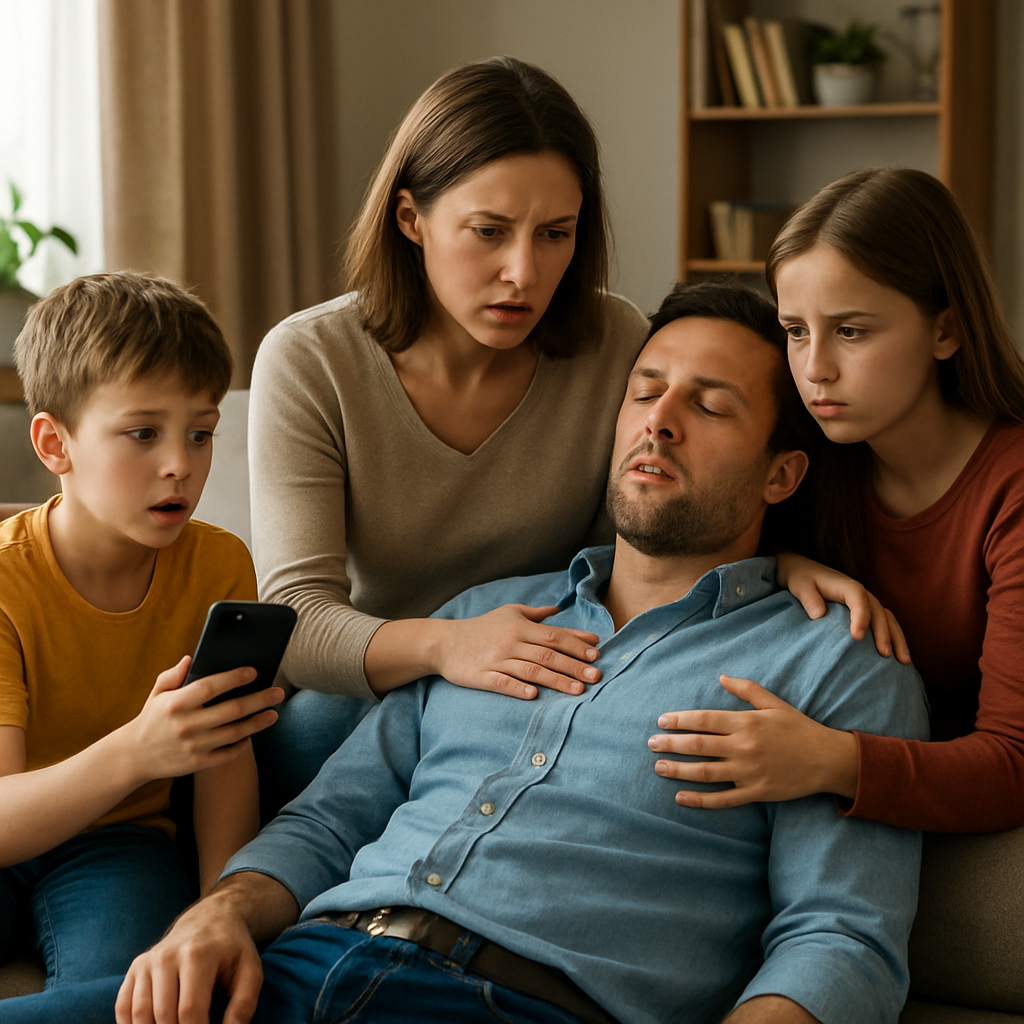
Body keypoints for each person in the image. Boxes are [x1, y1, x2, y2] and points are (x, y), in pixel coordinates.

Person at [5, 282, 929, 1024]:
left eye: (711, 406)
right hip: (292, 973)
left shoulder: (835, 663)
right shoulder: (482, 620)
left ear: (782, 473)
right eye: (646, 392)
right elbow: (326, 824)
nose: (660, 421)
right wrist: (219, 915)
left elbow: (842, 939)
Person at [247, 56, 649, 809]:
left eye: (555, 234)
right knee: (309, 730)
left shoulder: (615, 339)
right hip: (368, 697)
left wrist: (784, 562)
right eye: (489, 232)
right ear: (411, 219)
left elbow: (631, 558)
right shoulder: (311, 358)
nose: (524, 273)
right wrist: (451, 645)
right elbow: (297, 618)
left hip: (549, 678)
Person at [650, 168, 1024, 834]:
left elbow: (1013, 765)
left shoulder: (1011, 490)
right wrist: (783, 558)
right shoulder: (810, 457)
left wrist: (831, 762)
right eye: (796, 331)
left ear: (946, 330)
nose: (815, 367)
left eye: (851, 332)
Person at [0, 273, 285, 988]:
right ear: (54, 443)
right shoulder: (6, 580)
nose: (180, 465)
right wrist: (140, 749)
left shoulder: (220, 564)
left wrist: (224, 914)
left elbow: (227, 757)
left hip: (117, 846)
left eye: (201, 433)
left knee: (137, 993)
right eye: (143, 434)